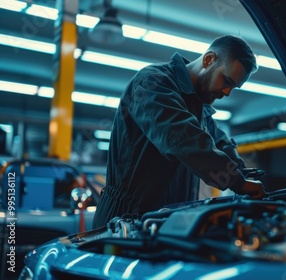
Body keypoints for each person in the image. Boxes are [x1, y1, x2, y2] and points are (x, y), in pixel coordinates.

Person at [92, 35, 266, 229]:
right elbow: (182, 139)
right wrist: (237, 182)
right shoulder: (153, 83)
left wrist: (241, 171)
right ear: (209, 60)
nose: (227, 92)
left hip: (165, 217)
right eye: (226, 80)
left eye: (233, 87)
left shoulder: (199, 106)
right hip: (125, 217)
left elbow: (219, 142)